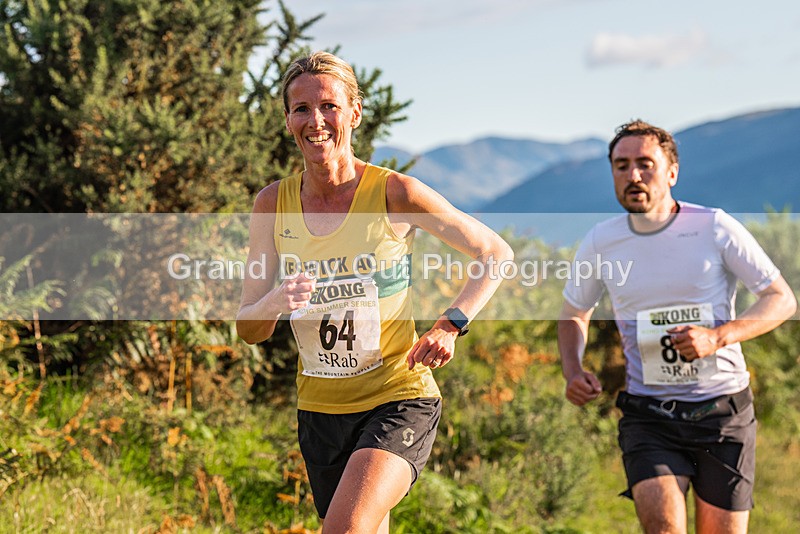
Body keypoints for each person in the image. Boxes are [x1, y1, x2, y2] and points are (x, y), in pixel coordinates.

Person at [236, 51, 512, 533]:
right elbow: (248, 328)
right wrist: (274, 303)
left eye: (329, 106)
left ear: (355, 113)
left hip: (397, 396)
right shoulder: (272, 204)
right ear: (288, 120)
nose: (316, 121)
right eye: (301, 109)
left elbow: (495, 253)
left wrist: (451, 324)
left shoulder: (395, 192)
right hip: (320, 409)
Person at [558, 120, 796, 534]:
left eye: (645, 164)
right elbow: (574, 313)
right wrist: (573, 370)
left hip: (723, 412)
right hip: (649, 416)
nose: (633, 175)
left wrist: (717, 337)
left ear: (672, 172)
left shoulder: (715, 227)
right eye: (621, 166)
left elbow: (781, 299)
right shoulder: (601, 241)